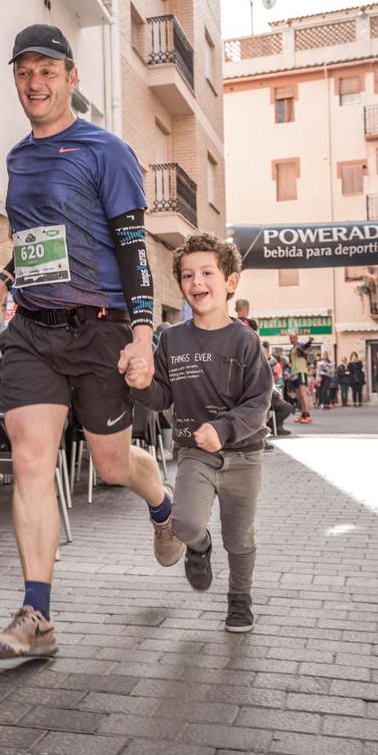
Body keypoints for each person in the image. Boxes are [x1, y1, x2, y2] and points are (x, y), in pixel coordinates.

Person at [0, 23, 175, 660]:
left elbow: (134, 250)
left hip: (102, 329)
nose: (35, 83)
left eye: (47, 71)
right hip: (33, 330)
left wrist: (142, 335)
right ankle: (38, 615)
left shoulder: (105, 150)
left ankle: (161, 503)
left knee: (112, 467)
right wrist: (5, 282)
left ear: (71, 78)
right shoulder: (17, 158)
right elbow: (39, 245)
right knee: (32, 462)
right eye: (24, 72)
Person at [131, 232, 271, 633]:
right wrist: (141, 383)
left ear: (230, 282)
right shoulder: (171, 339)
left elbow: (259, 402)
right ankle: (200, 546)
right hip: (194, 451)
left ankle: (240, 600)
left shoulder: (246, 340)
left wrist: (225, 428)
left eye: (207, 272)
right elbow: (161, 398)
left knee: (240, 538)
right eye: (188, 275)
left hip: (243, 455)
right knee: (185, 524)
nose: (197, 282)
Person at [286, 333, 314, 422]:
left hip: (301, 372)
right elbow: (291, 363)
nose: (292, 339)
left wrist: (310, 341)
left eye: (293, 338)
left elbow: (306, 346)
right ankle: (303, 415)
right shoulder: (291, 350)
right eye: (290, 338)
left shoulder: (300, 346)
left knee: (303, 393)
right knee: (299, 396)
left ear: (297, 338)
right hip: (294, 374)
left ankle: (308, 415)